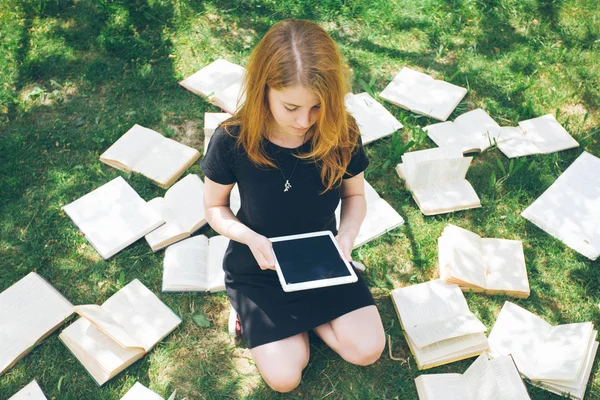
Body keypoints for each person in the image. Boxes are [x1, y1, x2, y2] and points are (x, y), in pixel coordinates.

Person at [200, 18, 385, 393]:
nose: (305, 121)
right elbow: (214, 208)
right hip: (259, 263)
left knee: (367, 350)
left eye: (318, 107)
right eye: (291, 107)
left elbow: (354, 196)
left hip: (324, 259)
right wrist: (250, 238)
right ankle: (265, 314)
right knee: (286, 377)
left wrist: (346, 240)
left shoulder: (342, 130)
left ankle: (309, 319)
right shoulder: (231, 139)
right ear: (263, 89)